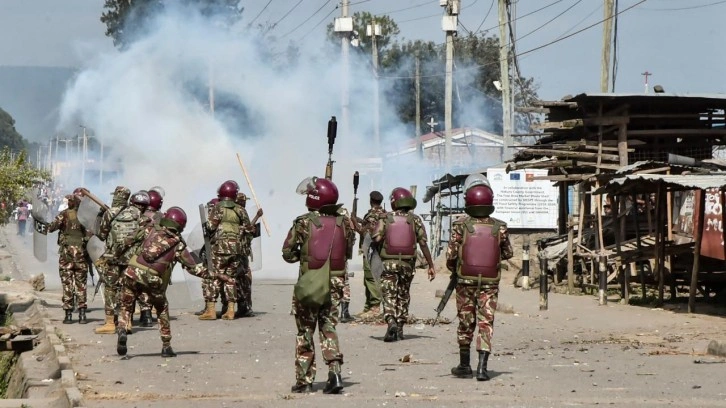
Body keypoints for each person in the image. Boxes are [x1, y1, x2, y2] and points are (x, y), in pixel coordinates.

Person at [115, 207, 232, 357]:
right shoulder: (178, 244)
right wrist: (217, 276)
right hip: (152, 279)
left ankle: (122, 329)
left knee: (126, 305)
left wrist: (114, 260)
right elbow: (194, 269)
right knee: (161, 308)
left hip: (131, 273)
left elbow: (125, 243)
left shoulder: (148, 230)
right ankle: (166, 346)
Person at [282, 176, 354, 394]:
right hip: (336, 283)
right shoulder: (345, 224)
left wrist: (304, 257)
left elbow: (287, 253)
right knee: (328, 327)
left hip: (311, 283)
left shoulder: (303, 222)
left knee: (305, 330)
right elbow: (348, 252)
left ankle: (304, 381)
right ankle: (335, 374)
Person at [447, 175, 513, 381]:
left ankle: (464, 366)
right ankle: (483, 369)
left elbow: (451, 256)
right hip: (489, 283)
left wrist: (455, 269)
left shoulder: (460, 225)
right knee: (486, 322)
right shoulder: (500, 227)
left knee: (465, 322)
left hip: (465, 282)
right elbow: (508, 253)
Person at [372, 187, 436, 342]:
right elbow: (423, 244)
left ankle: (391, 320)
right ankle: (400, 327)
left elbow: (376, 238)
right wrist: (431, 265)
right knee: (403, 294)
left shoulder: (385, 218)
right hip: (407, 264)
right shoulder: (415, 220)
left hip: (388, 263)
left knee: (389, 294)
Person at [94, 188, 149, 334]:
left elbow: (101, 235)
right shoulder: (137, 213)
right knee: (129, 289)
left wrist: (100, 216)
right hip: (131, 258)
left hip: (113, 257)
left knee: (110, 288)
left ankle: (110, 323)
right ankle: (127, 322)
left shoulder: (110, 213)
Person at [198, 180, 246, 321]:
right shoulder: (240, 210)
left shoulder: (218, 208)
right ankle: (231, 310)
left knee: (213, 276)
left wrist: (206, 226)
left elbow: (210, 227)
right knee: (231, 278)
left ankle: (211, 310)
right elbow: (249, 228)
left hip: (219, 248)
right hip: (236, 250)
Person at [45, 194, 91, 324]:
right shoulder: (85, 217)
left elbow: (51, 228)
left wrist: (42, 222)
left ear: (71, 203)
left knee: (67, 284)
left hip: (67, 257)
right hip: (81, 257)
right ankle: (82, 315)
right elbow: (90, 236)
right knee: (81, 285)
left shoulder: (64, 214)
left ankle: (68, 315)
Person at [231, 192, 263, 318]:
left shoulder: (237, 213)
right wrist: (257, 216)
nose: (244, 204)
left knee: (245, 282)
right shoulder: (237, 214)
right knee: (239, 281)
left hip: (242, 254)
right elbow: (247, 228)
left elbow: (248, 229)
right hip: (237, 254)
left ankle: (244, 307)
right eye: (243, 202)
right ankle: (235, 307)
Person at [136, 188, 164, 327]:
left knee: (140, 284)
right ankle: (152, 312)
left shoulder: (139, 216)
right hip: (158, 255)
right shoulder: (162, 217)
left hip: (141, 254)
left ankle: (145, 313)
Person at [355, 191, 385, 317]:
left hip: (372, 250)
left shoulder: (372, 215)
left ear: (371, 200)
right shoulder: (382, 213)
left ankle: (374, 307)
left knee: (370, 277)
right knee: (368, 278)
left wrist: (354, 224)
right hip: (377, 251)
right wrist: (360, 220)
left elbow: (366, 233)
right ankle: (368, 306)